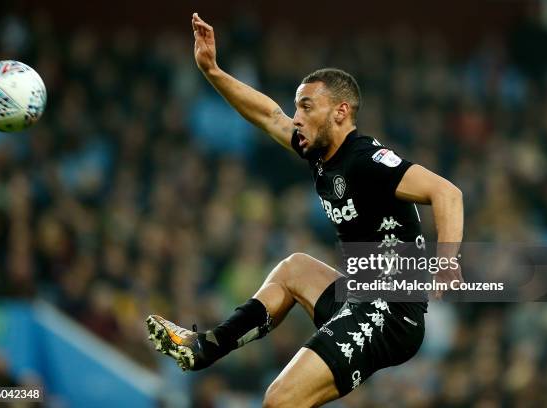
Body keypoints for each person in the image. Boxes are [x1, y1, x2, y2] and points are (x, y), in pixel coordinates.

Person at [146, 13, 464, 407]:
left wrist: (447, 261)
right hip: (360, 297)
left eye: (306, 107)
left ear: (340, 112)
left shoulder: (367, 160)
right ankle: (206, 347)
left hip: (390, 311)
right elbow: (267, 115)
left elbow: (447, 193)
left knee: (279, 400)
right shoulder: (318, 153)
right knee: (294, 268)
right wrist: (212, 70)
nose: (296, 117)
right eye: (297, 107)